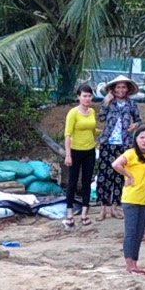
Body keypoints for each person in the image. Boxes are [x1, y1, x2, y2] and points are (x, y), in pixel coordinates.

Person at [94, 75, 142, 220]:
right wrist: (105, 102)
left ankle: (114, 208)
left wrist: (135, 125)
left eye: (123, 87)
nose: (121, 90)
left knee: (119, 177)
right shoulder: (109, 102)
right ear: (113, 90)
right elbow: (101, 118)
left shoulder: (131, 104)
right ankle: (102, 209)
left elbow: (138, 120)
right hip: (108, 143)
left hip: (124, 144)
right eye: (118, 87)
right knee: (104, 176)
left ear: (127, 90)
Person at [111, 124, 145, 275]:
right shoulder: (130, 153)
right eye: (142, 137)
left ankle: (135, 262)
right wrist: (129, 176)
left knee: (139, 232)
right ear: (136, 139)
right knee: (131, 232)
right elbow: (116, 164)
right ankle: (129, 264)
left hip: (144, 199)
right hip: (131, 198)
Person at [62, 82, 100, 228]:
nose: (87, 99)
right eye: (84, 96)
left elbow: (92, 130)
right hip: (75, 151)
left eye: (89, 96)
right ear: (79, 97)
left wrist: (104, 133)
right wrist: (68, 154)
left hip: (89, 151)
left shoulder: (92, 112)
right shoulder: (73, 113)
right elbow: (68, 134)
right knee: (72, 182)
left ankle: (84, 212)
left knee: (87, 181)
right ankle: (70, 213)